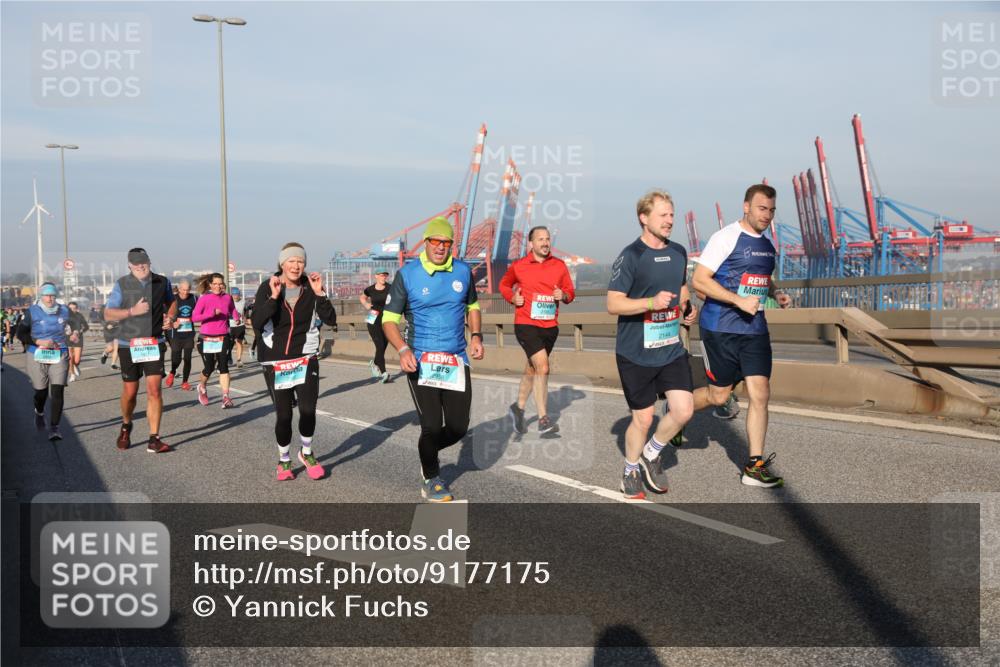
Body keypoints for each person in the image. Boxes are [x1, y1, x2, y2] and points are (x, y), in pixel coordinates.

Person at [691, 183, 791, 488]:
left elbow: (761, 279)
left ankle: (754, 465)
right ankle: (678, 407)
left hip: (754, 329)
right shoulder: (726, 238)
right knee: (718, 395)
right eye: (762, 208)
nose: (768, 215)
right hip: (720, 327)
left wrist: (778, 293)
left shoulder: (768, 245)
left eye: (772, 210)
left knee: (761, 393)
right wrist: (737, 301)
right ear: (746, 206)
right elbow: (699, 281)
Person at [383, 217, 484, 502]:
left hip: (455, 360)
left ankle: (427, 452)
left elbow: (473, 305)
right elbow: (389, 320)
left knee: (457, 427)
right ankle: (431, 477)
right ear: (425, 243)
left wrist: (476, 335)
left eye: (447, 242)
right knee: (430, 425)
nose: (441, 247)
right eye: (436, 242)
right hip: (421, 360)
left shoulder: (463, 271)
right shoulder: (408, 274)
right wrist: (403, 350)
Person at [607, 190, 698, 499]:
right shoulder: (631, 255)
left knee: (684, 410)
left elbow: (681, 288)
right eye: (663, 215)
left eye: (671, 214)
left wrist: (687, 307)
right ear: (644, 219)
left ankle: (651, 453)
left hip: (670, 346)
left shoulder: (679, 252)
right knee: (643, 418)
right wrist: (650, 302)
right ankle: (630, 469)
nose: (669, 220)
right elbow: (613, 303)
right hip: (635, 351)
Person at [252, 243, 337, 481]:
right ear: (282, 263)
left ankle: (306, 452)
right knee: (284, 415)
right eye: (291, 261)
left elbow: (331, 319)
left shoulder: (310, 288)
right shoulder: (267, 287)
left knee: (308, 410)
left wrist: (320, 293)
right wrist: (274, 298)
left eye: (300, 261)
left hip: (305, 357)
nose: (296, 265)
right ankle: (284, 459)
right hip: (275, 360)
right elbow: (257, 322)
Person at [499, 226, 575, 435]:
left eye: (547, 239)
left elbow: (570, 292)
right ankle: (544, 419)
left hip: (550, 326)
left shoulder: (559, 266)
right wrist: (513, 298)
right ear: (530, 244)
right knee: (542, 367)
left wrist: (564, 295)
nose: (545, 242)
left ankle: (518, 407)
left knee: (532, 369)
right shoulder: (519, 266)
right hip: (526, 324)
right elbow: (504, 285)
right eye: (540, 239)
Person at [103, 248, 175, 453]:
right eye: (135, 263)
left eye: (143, 261)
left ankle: (154, 438)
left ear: (149, 261)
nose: (140, 265)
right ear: (129, 265)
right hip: (128, 344)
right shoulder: (122, 284)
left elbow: (172, 302)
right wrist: (131, 311)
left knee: (154, 390)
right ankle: (126, 425)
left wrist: (170, 317)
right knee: (130, 393)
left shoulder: (162, 281)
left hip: (154, 342)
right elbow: (109, 314)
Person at [16, 283, 76, 440]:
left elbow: (73, 327)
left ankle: (54, 428)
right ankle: (39, 411)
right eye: (47, 295)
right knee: (41, 392)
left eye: (53, 295)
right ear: (41, 296)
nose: (50, 298)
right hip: (37, 354)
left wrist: (73, 334)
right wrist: (38, 341)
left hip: (59, 353)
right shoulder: (31, 312)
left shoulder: (64, 310)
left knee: (57, 390)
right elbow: (20, 334)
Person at [191, 273, 238, 408]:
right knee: (209, 367)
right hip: (206, 338)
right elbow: (194, 318)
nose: (218, 286)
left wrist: (236, 317)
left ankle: (225, 397)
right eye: (215, 284)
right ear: (210, 285)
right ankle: (202, 386)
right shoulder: (204, 299)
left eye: (220, 284)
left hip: (223, 337)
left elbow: (232, 309)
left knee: (224, 367)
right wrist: (211, 313)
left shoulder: (227, 297)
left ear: (224, 284)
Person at [360, 269, 393, 383]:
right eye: (381, 275)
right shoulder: (370, 289)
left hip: (386, 319)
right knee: (379, 345)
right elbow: (362, 297)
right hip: (372, 318)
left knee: (384, 345)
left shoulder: (390, 288)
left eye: (385, 275)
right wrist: (366, 304)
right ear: (376, 276)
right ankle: (384, 373)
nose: (383, 277)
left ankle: (374, 363)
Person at [166, 280, 197, 391]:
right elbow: (165, 315)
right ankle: (172, 372)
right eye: (183, 290)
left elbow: (199, 311)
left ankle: (185, 382)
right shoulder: (172, 299)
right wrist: (172, 322)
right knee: (176, 359)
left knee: (188, 359)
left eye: (188, 290)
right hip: (176, 334)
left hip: (189, 334)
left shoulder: (194, 298)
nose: (185, 292)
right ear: (179, 289)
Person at [65, 301, 89, 381]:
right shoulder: (64, 316)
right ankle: (72, 374)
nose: (72, 310)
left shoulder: (80, 316)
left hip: (78, 339)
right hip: (67, 338)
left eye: (74, 308)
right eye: (70, 308)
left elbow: (86, 326)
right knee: (70, 358)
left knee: (77, 359)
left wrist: (80, 331)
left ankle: (76, 365)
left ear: (77, 309)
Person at [229, 288, 247, 368]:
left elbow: (245, 311)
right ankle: (228, 356)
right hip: (230, 325)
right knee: (229, 344)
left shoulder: (243, 302)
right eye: (234, 295)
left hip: (240, 325)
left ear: (239, 294)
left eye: (237, 295)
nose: (235, 296)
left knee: (239, 342)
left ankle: (239, 360)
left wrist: (245, 318)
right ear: (231, 295)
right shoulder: (229, 301)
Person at [99, 305, 120, 370]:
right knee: (111, 348)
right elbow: (101, 318)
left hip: (118, 330)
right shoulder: (105, 307)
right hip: (108, 330)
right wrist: (106, 325)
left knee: (117, 347)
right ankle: (105, 353)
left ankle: (113, 364)